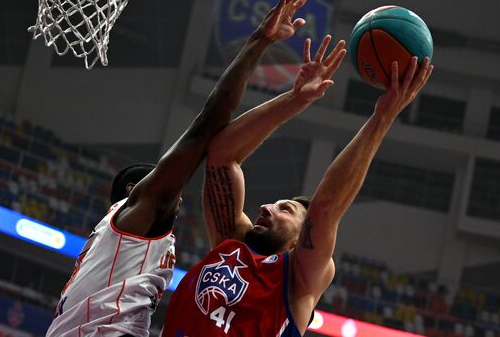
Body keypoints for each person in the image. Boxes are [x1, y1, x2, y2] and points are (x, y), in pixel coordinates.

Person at [46, 0, 316, 337]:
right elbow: (207, 127)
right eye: (161, 181)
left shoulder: (129, 248)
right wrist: (258, 42)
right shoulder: (139, 216)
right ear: (134, 189)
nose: (177, 191)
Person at [162, 36, 434, 336]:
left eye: (285, 209)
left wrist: (382, 117)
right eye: (274, 204)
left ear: (298, 240)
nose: (265, 207)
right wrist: (295, 99)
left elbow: (326, 207)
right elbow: (221, 157)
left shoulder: (299, 281)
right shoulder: (231, 243)